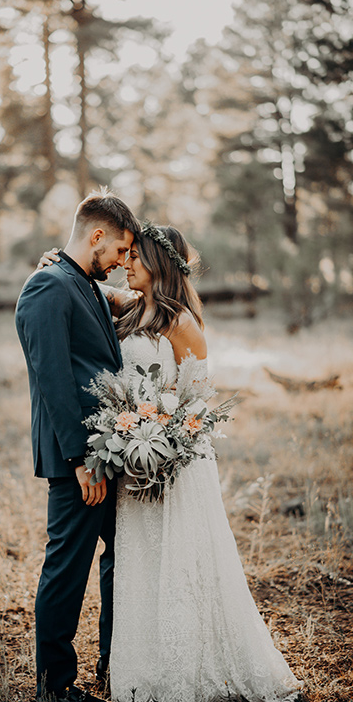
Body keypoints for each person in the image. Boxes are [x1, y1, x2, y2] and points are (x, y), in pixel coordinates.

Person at [38, 223, 304, 702]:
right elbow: (86, 282)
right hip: (131, 459)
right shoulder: (128, 306)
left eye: (135, 256)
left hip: (171, 465)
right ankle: (132, 665)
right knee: (136, 565)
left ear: (159, 264)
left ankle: (189, 662)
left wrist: (161, 441)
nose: (126, 263)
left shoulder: (182, 324)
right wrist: (54, 261)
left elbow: (197, 405)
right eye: (126, 254)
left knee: (176, 564)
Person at [15, 189, 141, 702]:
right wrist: (80, 458)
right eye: (117, 251)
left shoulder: (83, 284)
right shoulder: (48, 285)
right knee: (67, 567)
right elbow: (53, 379)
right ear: (96, 236)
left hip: (104, 455)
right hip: (79, 460)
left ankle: (117, 664)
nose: (119, 262)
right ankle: (56, 687)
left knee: (123, 556)